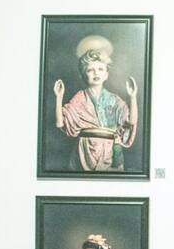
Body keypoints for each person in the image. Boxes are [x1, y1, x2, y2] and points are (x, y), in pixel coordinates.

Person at [53, 37, 138, 172]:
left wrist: (132, 97)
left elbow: (131, 122)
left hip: (110, 151)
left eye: (100, 69)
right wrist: (59, 97)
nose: (96, 73)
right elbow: (60, 124)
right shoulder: (80, 98)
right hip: (84, 152)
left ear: (106, 74)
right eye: (90, 70)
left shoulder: (114, 100)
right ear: (83, 74)